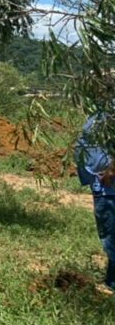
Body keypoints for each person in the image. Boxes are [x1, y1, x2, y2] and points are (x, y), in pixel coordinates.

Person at [74, 114, 115, 294]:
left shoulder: (110, 112)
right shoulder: (102, 111)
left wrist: (112, 170)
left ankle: (113, 284)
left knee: (111, 236)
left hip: (110, 187)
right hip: (102, 186)